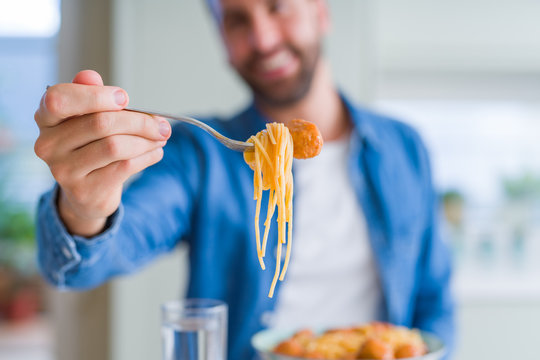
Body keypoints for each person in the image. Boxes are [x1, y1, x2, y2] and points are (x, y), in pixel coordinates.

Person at [34, 0, 455, 359]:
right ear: (222, 41)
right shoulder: (201, 152)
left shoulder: (405, 148)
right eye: (237, 20)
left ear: (320, 11)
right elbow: (101, 255)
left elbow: (434, 302)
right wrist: (86, 206)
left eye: (277, 7)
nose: (264, 39)